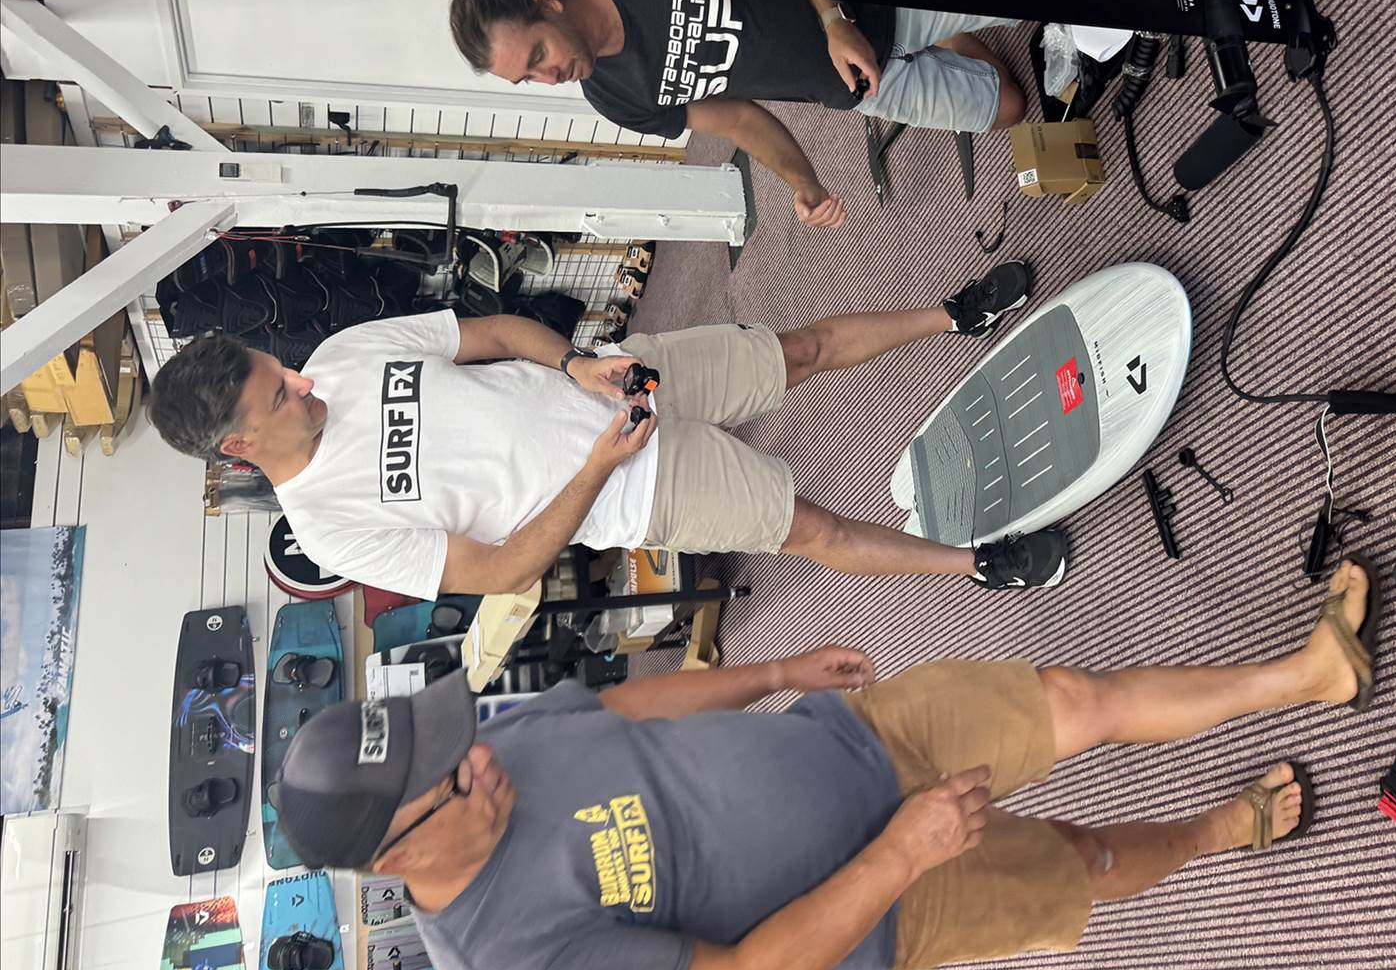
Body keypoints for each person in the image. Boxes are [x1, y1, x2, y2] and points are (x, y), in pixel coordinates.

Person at [271, 559, 1379, 970]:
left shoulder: (492, 748)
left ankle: (1306, 673)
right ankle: (1222, 829)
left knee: (1070, 698)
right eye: (446, 773)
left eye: (448, 736)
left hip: (849, 739)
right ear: (399, 850)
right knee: (1077, 859)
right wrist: (900, 853)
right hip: (894, 899)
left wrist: (774, 673)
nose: (474, 754)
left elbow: (625, 713)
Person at [145, 261, 1074, 596]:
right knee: (815, 529)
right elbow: (500, 570)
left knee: (798, 350)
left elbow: (492, 332)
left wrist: (576, 365)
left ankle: (955, 314)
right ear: (238, 447)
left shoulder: (339, 356)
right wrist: (596, 468)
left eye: (279, 367)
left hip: (625, 379)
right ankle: (980, 562)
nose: (303, 381)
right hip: (636, 486)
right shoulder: (329, 528)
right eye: (281, 396)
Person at [449, 0, 1031, 228]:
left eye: (538, 54)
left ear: (546, 2)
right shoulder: (614, 96)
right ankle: (951, 30)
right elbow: (737, 120)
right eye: (529, 78)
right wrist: (800, 178)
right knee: (1009, 106)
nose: (549, 77)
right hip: (856, 85)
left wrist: (832, 20)